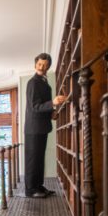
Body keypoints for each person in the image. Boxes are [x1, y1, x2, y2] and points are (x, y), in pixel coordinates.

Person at [24, 53, 66, 198]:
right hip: (33, 127)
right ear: (35, 65)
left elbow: (42, 105)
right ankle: (30, 190)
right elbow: (34, 106)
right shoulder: (33, 82)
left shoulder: (44, 82)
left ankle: (38, 186)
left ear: (49, 66)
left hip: (41, 126)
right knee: (33, 159)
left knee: (39, 158)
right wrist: (53, 103)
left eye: (45, 65)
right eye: (40, 64)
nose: (42, 67)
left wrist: (52, 113)